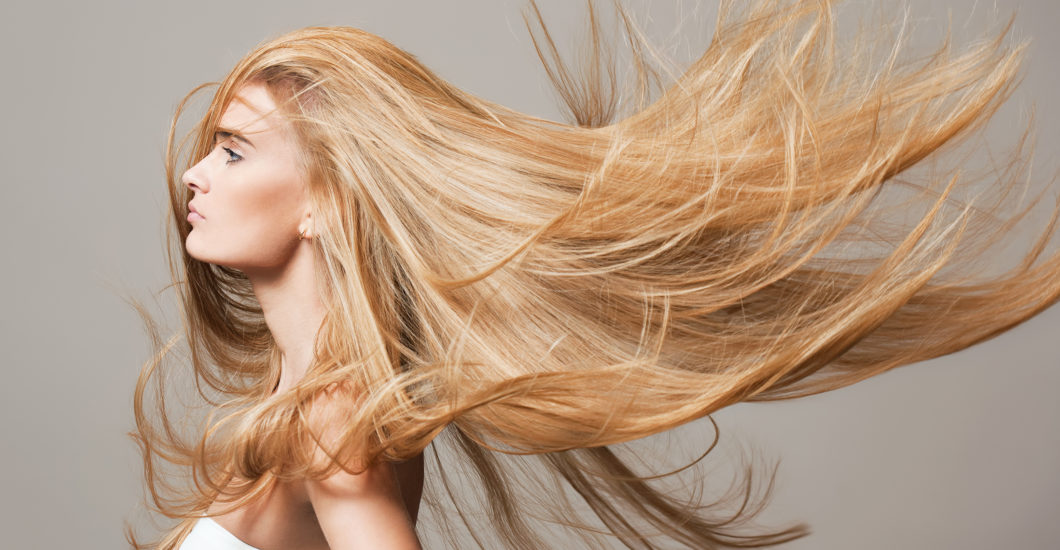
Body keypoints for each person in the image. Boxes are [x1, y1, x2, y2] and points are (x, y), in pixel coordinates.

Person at [128, 1, 1060, 548]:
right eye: (210, 150)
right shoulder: (304, 406)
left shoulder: (335, 424)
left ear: (326, 200)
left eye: (236, 153)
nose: (194, 176)